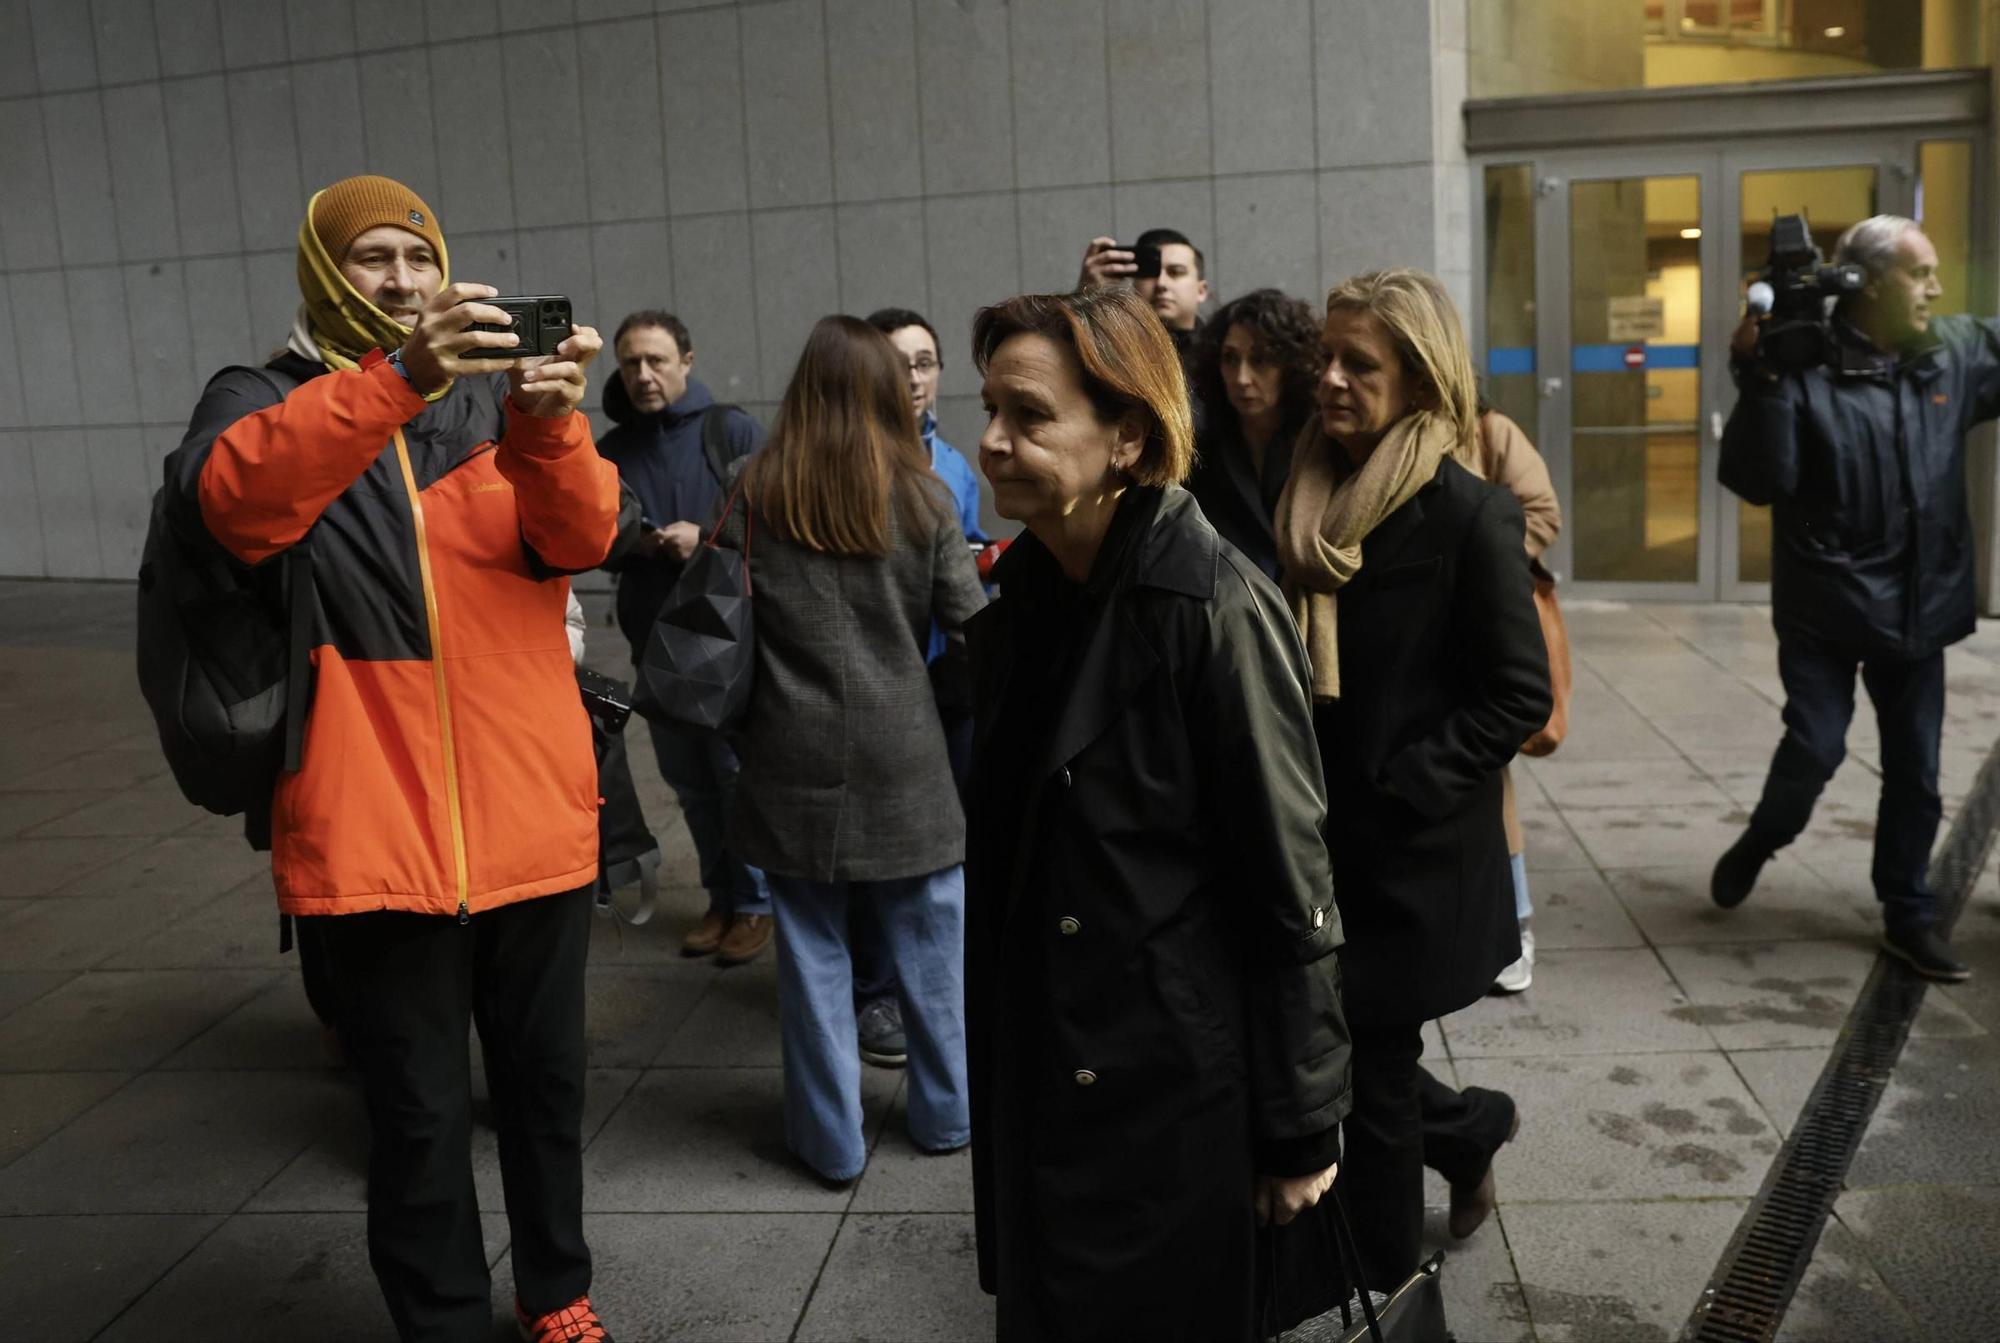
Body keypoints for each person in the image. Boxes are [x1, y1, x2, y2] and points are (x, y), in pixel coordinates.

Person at [160, 174, 626, 1343]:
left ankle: (557, 1291)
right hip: (373, 823)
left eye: (420, 260)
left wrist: (551, 419)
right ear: (325, 270)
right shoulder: (261, 395)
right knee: (416, 1113)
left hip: (533, 816)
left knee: (545, 1091)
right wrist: (397, 379)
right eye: (373, 258)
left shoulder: (487, 412)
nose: (404, 281)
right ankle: (446, 1320)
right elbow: (233, 503)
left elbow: (579, 536)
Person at [965, 286, 1351, 1341]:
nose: (992, 441)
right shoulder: (1027, 601)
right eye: (989, 407)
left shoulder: (1212, 606)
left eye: (1030, 415)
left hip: (1168, 1090)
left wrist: (1299, 1124)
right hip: (1050, 1069)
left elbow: (1289, 879)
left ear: (1127, 434)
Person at [1272, 268, 1551, 1299]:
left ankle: (1386, 1285)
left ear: (1419, 376)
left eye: (1359, 362)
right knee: (1341, 1057)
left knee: (1368, 1081)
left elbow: (1516, 693)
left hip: (1406, 854)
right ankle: (1472, 1126)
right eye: (1326, 357)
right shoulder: (1296, 481)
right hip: (1308, 835)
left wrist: (1400, 783)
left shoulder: (1465, 514)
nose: (1330, 379)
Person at [716, 315, 985, 1186]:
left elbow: (721, 618)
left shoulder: (751, 488)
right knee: (935, 947)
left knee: (812, 956)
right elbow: (968, 628)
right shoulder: (925, 496)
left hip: (788, 758)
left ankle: (831, 1141)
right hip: (906, 756)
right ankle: (948, 1117)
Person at [1714, 214, 1997, 983]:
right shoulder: (1802, 366)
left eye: (1936, 271)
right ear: (1867, 285)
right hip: (1826, 612)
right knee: (1816, 746)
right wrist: (1761, 377)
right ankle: (1761, 841)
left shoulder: (1954, 352)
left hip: (1922, 610)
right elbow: (1754, 479)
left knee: (1919, 775)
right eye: (1919, 273)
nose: (1935, 287)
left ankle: (1908, 913)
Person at [597, 310, 773, 966]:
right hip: (656, 644)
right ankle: (721, 897)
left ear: (687, 362)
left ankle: (755, 904)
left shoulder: (730, 429)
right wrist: (632, 542)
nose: (643, 375)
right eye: (630, 363)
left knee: (734, 776)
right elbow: (592, 540)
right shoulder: (611, 450)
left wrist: (705, 539)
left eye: (656, 360)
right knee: (691, 783)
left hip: (724, 643)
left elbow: (772, 526)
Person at [848, 306, 990, 1070]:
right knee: (880, 846)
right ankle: (875, 989)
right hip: (877, 686)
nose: (912, 375)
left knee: (948, 838)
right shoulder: (844, 466)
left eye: (926, 360)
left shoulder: (958, 468)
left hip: (950, 679)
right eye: (897, 361)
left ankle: (939, 981)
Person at [1469, 403, 1563, 993]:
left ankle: (1517, 921)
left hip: (1478, 619)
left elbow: (1542, 511)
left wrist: (1476, 556)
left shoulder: (1489, 429)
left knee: (1493, 770)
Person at [1188, 287, 1323, 581]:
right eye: (1230, 359)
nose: (1242, 378)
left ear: (1291, 365)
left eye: (1260, 360)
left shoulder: (1321, 443)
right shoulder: (1201, 451)